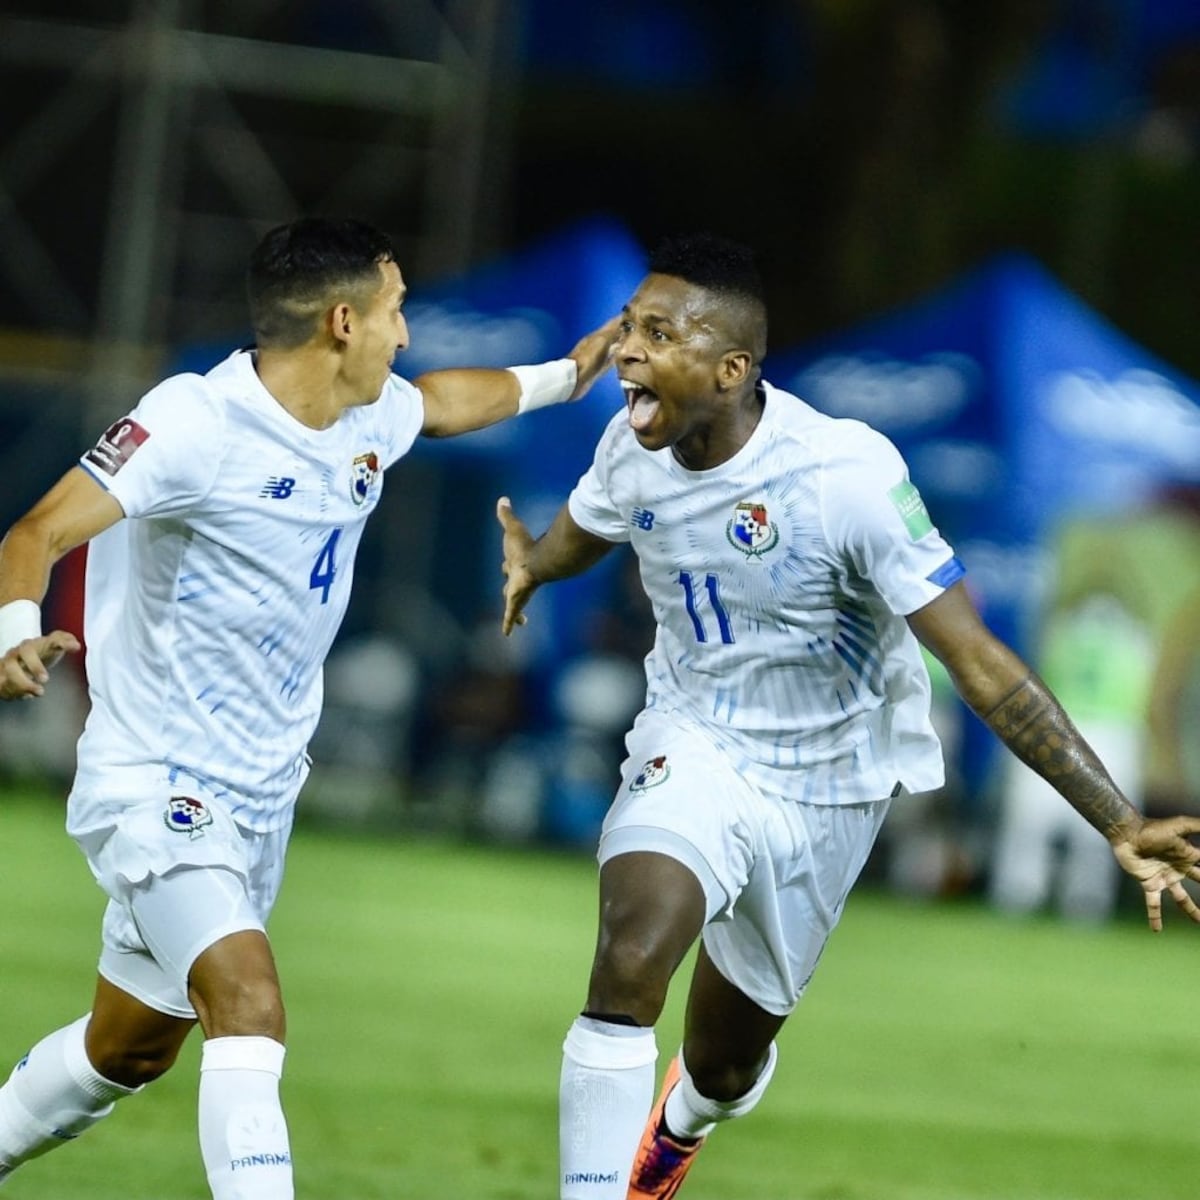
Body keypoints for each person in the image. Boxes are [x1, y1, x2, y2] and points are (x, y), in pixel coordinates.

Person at [494, 232, 1200, 1200]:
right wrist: (536, 561)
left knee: (723, 1065)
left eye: (658, 334)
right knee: (629, 956)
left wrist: (1118, 817)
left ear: (732, 368)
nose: (626, 352)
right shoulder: (632, 443)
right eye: (628, 329)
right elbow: (591, 525)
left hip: (831, 785)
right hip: (693, 740)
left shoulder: (845, 475)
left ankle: (686, 1120)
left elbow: (982, 664)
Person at [0, 215, 616, 1199]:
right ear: (342, 320)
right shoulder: (194, 423)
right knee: (248, 1000)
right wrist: (12, 635)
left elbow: (450, 404)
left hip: (261, 793)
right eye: (397, 309)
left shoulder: (366, 413)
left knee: (130, 1049)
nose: (406, 334)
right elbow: (35, 530)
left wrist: (568, 375)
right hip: (155, 777)